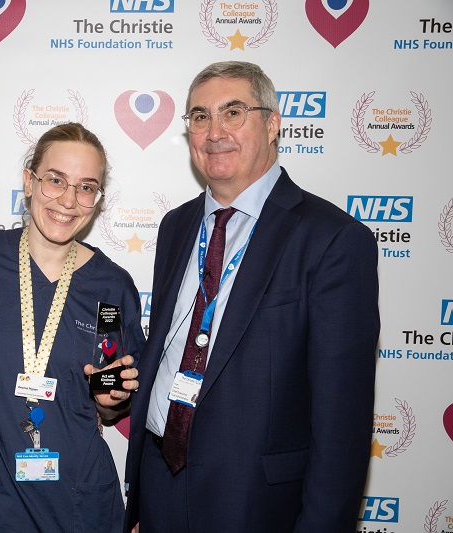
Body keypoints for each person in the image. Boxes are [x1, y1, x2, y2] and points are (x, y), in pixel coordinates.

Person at [124, 61, 379, 532]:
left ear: (273, 123)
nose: (214, 131)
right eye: (199, 117)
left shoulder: (333, 240)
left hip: (257, 504)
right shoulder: (176, 226)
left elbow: (341, 426)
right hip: (159, 482)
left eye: (233, 112)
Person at [0, 122, 145, 532]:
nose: (68, 200)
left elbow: (111, 402)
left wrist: (112, 401)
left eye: (86, 187)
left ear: (97, 199)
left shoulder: (111, 286)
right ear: (29, 181)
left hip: (80, 501)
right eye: (55, 180)